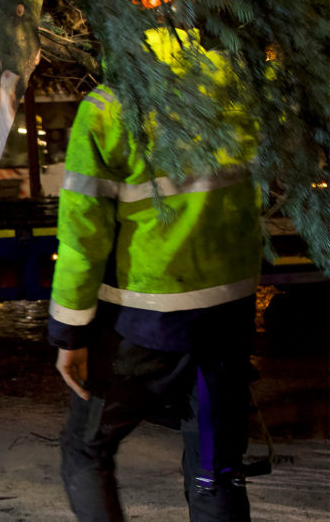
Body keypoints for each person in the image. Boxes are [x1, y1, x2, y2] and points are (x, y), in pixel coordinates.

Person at [48, 26, 263, 521]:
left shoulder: (108, 108)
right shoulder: (241, 90)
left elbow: (83, 238)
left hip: (141, 326)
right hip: (225, 322)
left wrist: (70, 333)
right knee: (216, 471)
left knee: (87, 448)